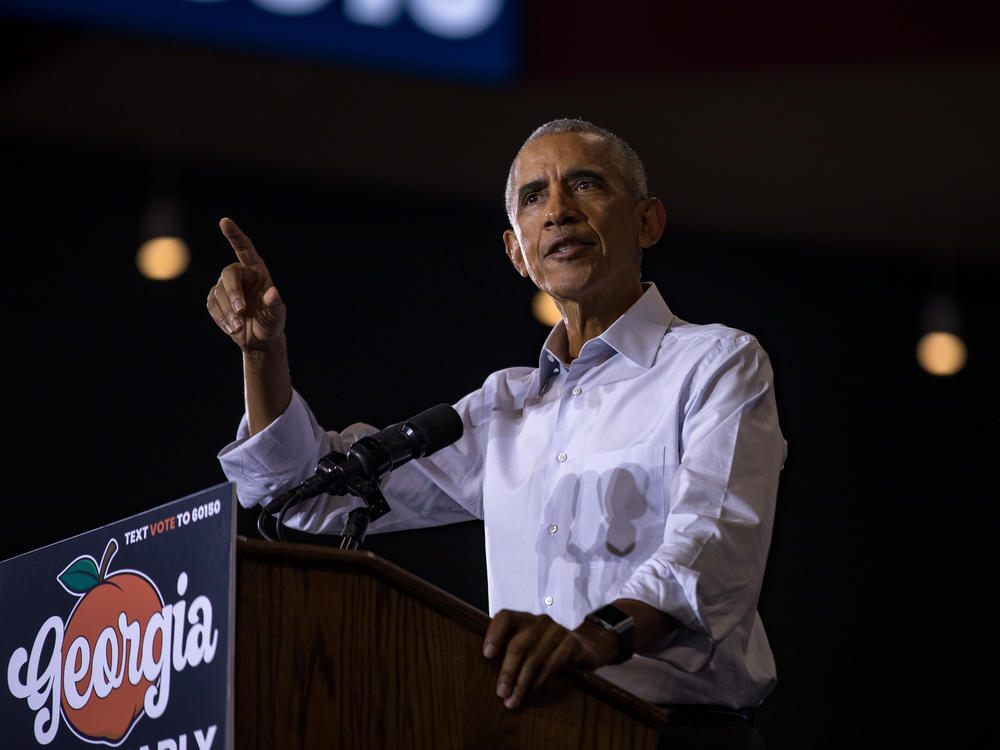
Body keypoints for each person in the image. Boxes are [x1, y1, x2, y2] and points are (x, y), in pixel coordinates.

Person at [207, 119, 785, 748]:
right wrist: (262, 354)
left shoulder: (717, 363)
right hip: (531, 732)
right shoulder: (503, 405)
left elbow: (713, 550)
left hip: (675, 734)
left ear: (648, 222)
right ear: (517, 252)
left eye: (585, 185)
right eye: (534, 197)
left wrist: (591, 638)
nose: (558, 211)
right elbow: (310, 492)